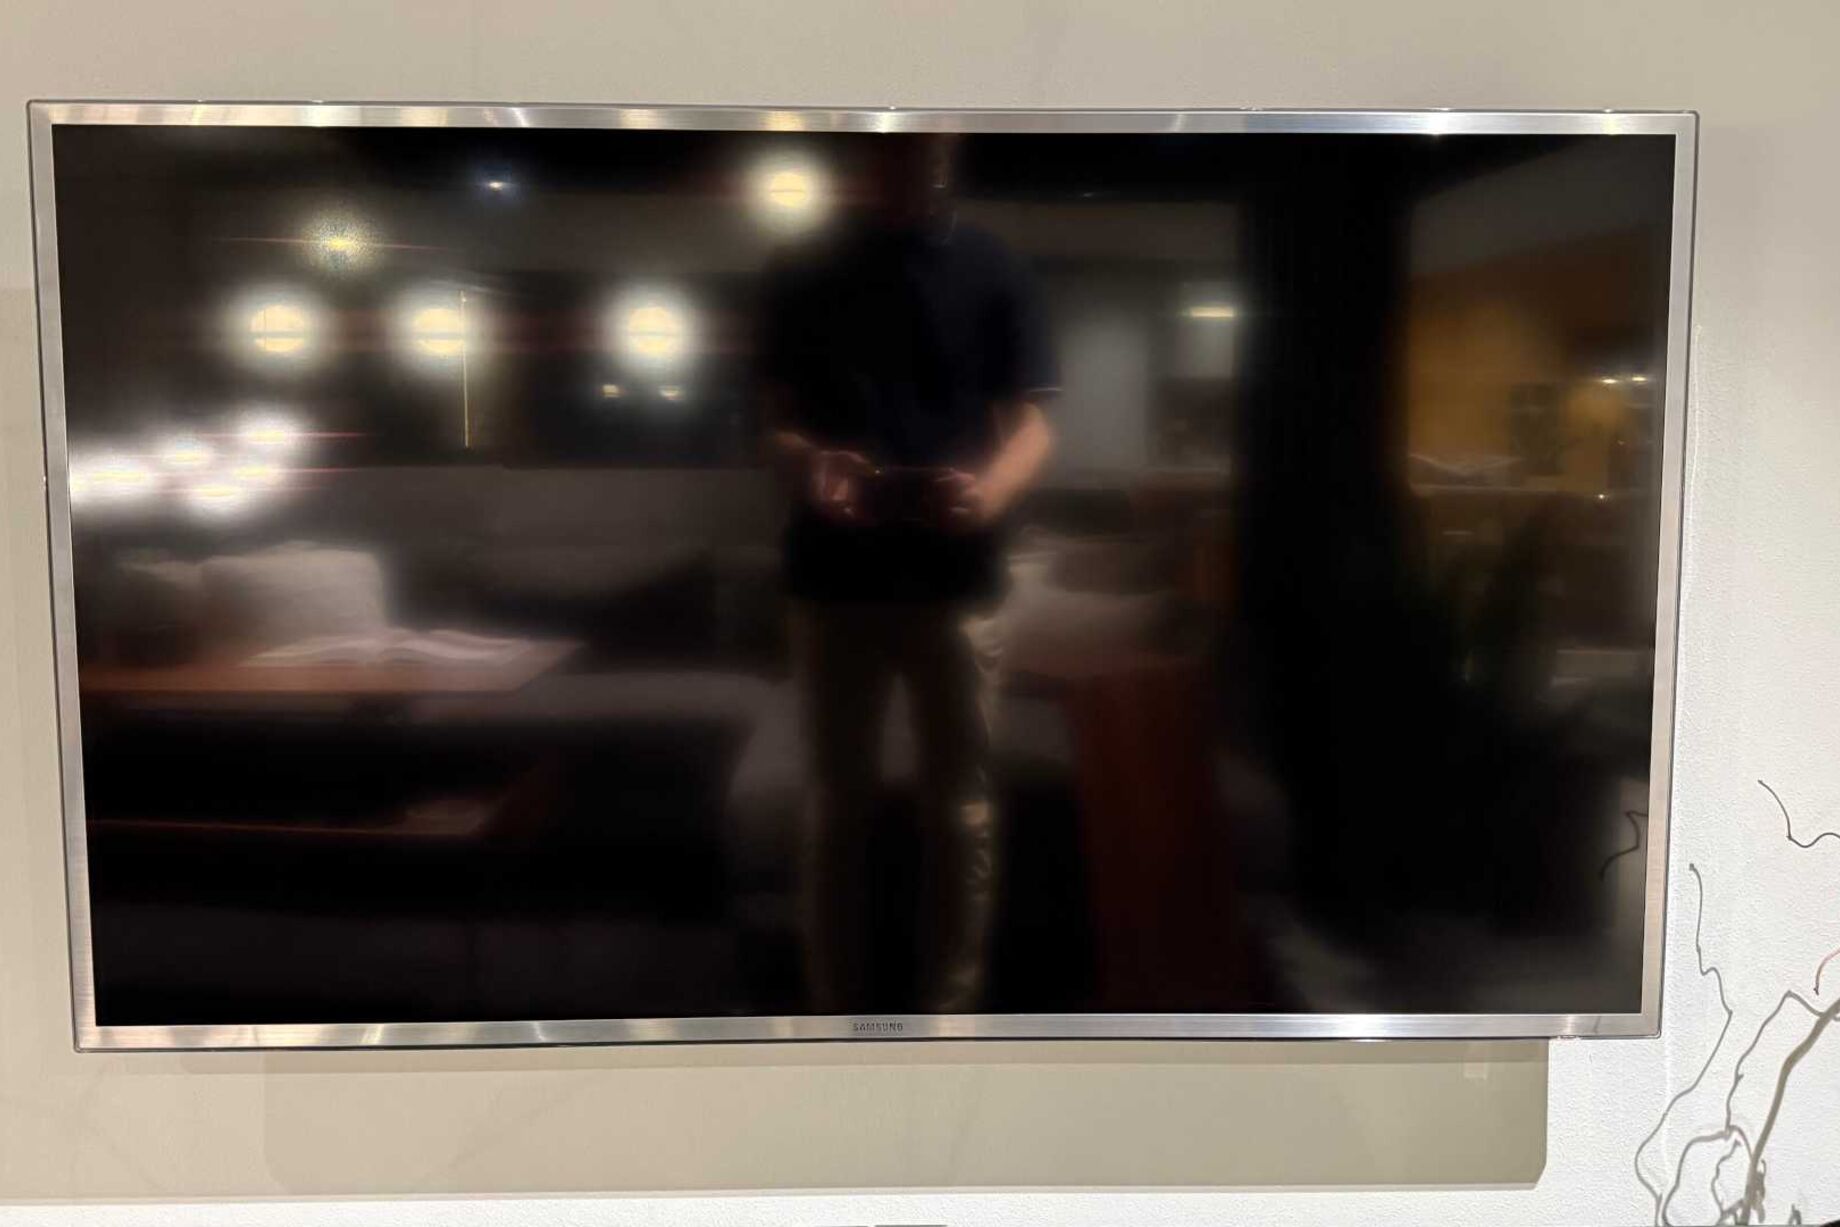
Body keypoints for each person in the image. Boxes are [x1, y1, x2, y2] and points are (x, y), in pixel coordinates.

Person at [757, 133, 1057, 1013]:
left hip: (958, 580)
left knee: (960, 810)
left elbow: (1032, 426)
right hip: (832, 578)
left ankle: (948, 1019)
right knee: (835, 809)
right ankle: (832, 1012)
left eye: (926, 149)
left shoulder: (996, 267)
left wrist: (988, 493)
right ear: (864, 154)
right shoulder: (799, 268)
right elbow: (774, 424)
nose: (911, 165)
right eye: (891, 150)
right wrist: (811, 464)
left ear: (950, 148)